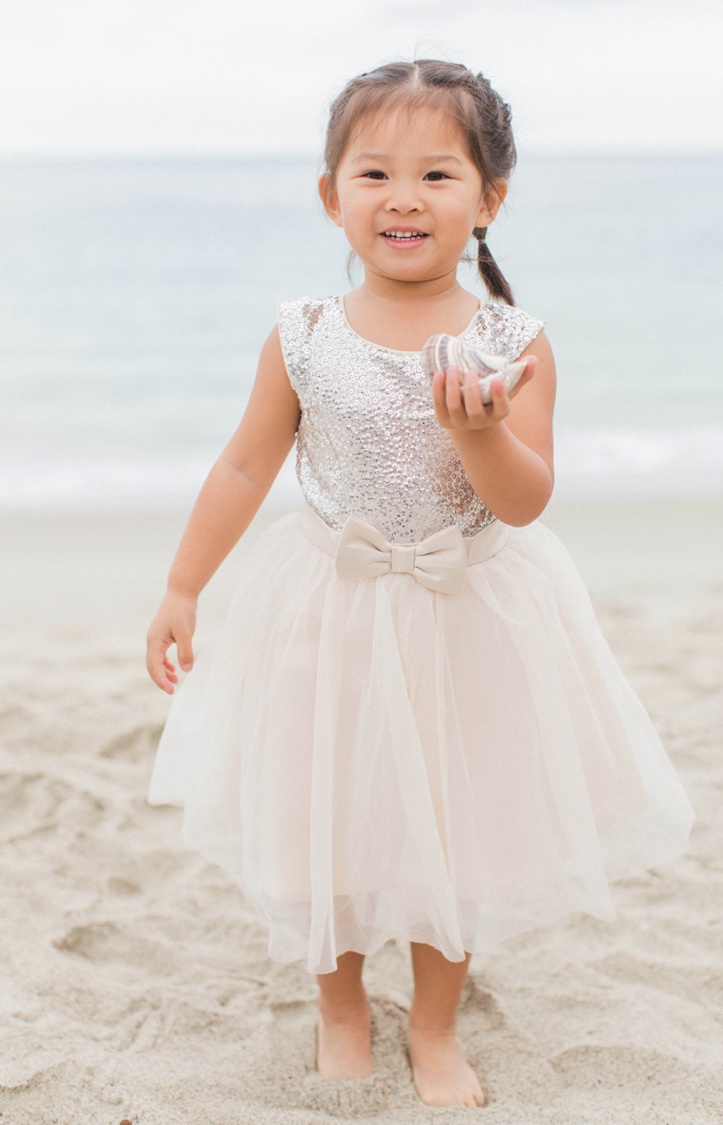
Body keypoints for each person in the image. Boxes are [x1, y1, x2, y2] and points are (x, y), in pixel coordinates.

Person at [146, 60, 694, 1108]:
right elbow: (247, 466)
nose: (404, 196)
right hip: (328, 608)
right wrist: (182, 587)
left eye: (438, 174)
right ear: (331, 195)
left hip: (466, 617)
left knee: (460, 830)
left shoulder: (511, 344)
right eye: (375, 172)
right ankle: (342, 1009)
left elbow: (524, 499)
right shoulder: (302, 334)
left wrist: (477, 434)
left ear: (489, 199)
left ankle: (435, 1026)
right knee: (326, 820)